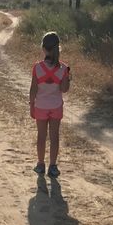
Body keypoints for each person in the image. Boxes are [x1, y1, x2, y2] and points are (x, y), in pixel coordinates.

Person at [29, 32, 71, 178]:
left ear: (43, 48)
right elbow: (64, 89)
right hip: (56, 107)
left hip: (40, 106)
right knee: (54, 137)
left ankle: (40, 164)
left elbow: (33, 88)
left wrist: (31, 105)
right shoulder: (63, 68)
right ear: (58, 48)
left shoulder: (37, 67)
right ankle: (53, 166)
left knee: (41, 136)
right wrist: (68, 78)